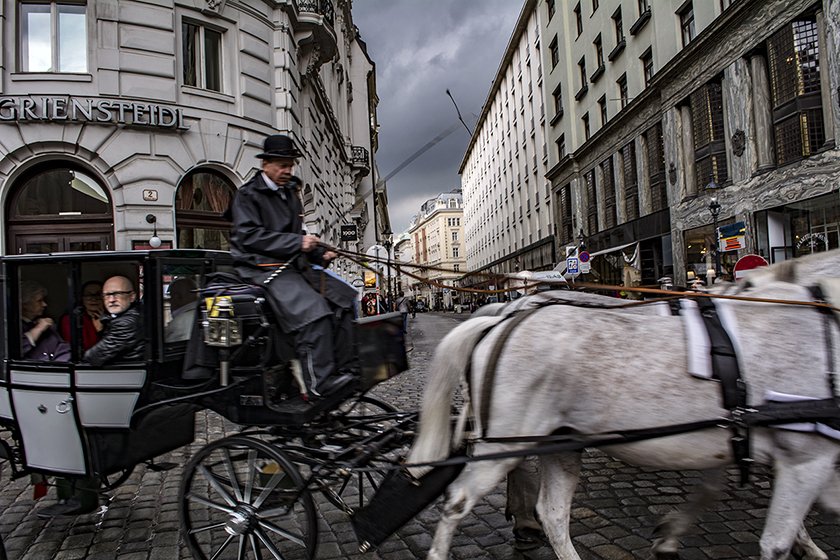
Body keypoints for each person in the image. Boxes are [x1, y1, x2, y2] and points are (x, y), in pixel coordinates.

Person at [229, 134, 357, 400]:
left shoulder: (289, 193)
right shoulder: (247, 195)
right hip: (261, 268)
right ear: (266, 165)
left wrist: (321, 253)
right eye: (281, 165)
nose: (287, 170)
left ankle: (343, 369)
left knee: (345, 300)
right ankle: (317, 384)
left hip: (291, 266)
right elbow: (249, 236)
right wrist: (298, 242)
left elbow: (299, 238)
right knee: (315, 314)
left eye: (290, 164)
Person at [84, 276, 144, 366]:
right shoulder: (131, 314)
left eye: (118, 294)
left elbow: (94, 357)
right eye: (107, 295)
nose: (111, 300)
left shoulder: (126, 323)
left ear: (132, 296)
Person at [20, 281, 70, 362]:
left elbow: (63, 348)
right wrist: (38, 329)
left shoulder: (47, 325)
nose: (44, 305)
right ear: (25, 304)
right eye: (39, 301)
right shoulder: (15, 326)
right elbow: (17, 350)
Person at [59, 280, 104, 351]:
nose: (93, 299)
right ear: (82, 298)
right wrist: (97, 332)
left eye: (98, 294)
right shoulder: (70, 319)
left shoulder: (112, 317)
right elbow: (77, 351)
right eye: (88, 295)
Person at [165, 277, 198, 342]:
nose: (170, 301)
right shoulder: (204, 313)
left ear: (177, 297)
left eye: (171, 297)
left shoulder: (177, 323)